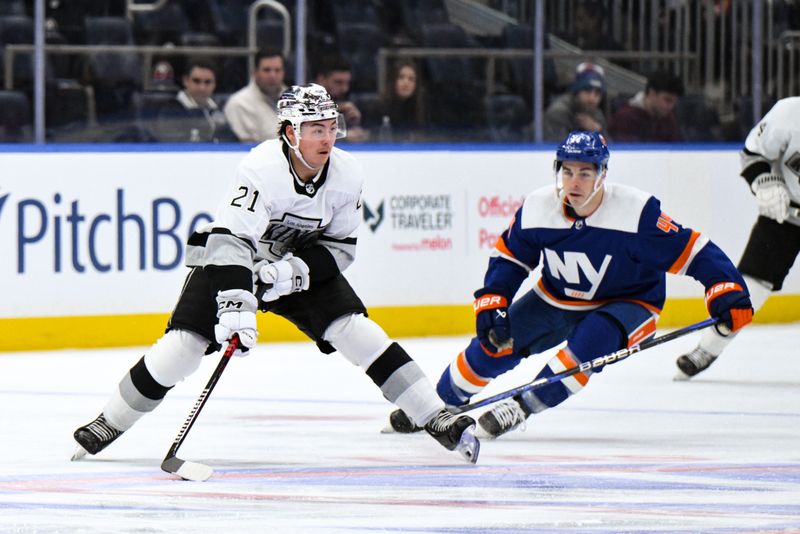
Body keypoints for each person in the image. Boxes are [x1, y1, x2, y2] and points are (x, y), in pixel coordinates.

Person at [71, 83, 479, 463]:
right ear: (289, 133)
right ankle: (111, 420)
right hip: (238, 260)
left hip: (298, 264)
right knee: (184, 346)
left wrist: (291, 273)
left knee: (354, 329)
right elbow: (231, 242)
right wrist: (235, 308)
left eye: (331, 127)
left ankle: (434, 415)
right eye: (315, 129)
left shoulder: (348, 174)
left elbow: (340, 249)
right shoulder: (261, 167)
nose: (327, 138)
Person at [387, 131, 753, 439]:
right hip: (555, 297)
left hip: (629, 304)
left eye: (585, 173)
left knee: (585, 347)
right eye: (567, 171)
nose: (574, 182)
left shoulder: (636, 214)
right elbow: (510, 259)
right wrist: (493, 301)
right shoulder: (537, 208)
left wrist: (727, 289)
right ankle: (437, 404)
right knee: (491, 347)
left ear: (602, 175)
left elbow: (696, 252)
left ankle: (521, 406)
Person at [675, 97, 800, 379]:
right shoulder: (790, 113)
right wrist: (766, 182)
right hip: (786, 215)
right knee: (752, 286)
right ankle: (708, 348)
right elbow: (753, 154)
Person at [153, 57, 238, 143]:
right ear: (186, 81)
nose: (202, 87)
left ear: (215, 84)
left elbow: (231, 142)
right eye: (196, 81)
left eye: (208, 82)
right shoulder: (171, 110)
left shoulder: (219, 111)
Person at [224, 49, 288, 143]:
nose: (272, 75)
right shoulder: (239, 104)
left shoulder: (296, 100)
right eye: (267, 70)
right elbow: (248, 147)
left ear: (283, 73)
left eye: (277, 70)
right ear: (255, 72)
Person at [608, 70, 684, 142]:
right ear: (652, 93)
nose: (671, 106)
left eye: (674, 102)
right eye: (667, 100)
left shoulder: (669, 119)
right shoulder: (625, 118)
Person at [543, 63, 607, 141]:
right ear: (577, 92)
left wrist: (598, 131)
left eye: (597, 94)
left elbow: (613, 150)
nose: (592, 98)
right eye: (587, 91)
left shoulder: (596, 114)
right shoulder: (559, 111)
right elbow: (557, 148)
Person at [314, 55, 369, 143]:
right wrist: (344, 137)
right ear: (322, 79)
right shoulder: (301, 101)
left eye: (347, 83)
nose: (345, 89)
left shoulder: (351, 100)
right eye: (338, 82)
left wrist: (357, 123)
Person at [377, 60, 426, 143]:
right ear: (393, 81)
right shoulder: (379, 108)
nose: (406, 83)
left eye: (411, 79)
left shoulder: (423, 110)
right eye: (401, 77)